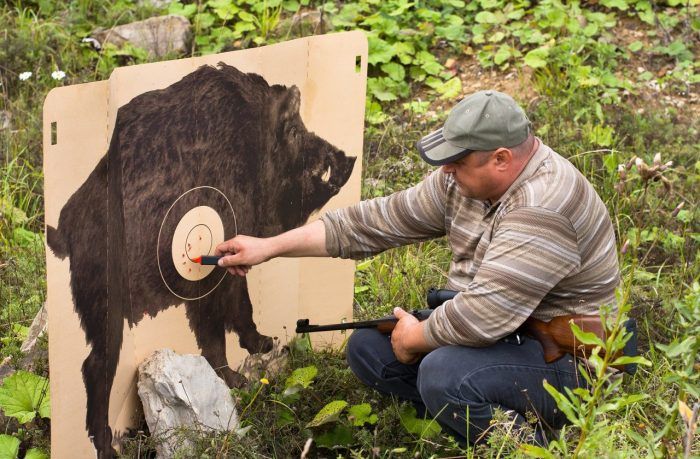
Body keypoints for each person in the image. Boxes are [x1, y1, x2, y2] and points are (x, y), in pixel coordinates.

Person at [215, 90, 620, 444]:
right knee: (368, 349)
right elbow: (372, 224)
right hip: (506, 333)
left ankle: (527, 444)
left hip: (569, 361)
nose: (446, 169)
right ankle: (464, 418)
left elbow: (483, 317)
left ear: (501, 158)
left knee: (444, 375)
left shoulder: (542, 207)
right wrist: (269, 247)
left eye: (458, 161)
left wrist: (418, 337)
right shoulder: (463, 181)